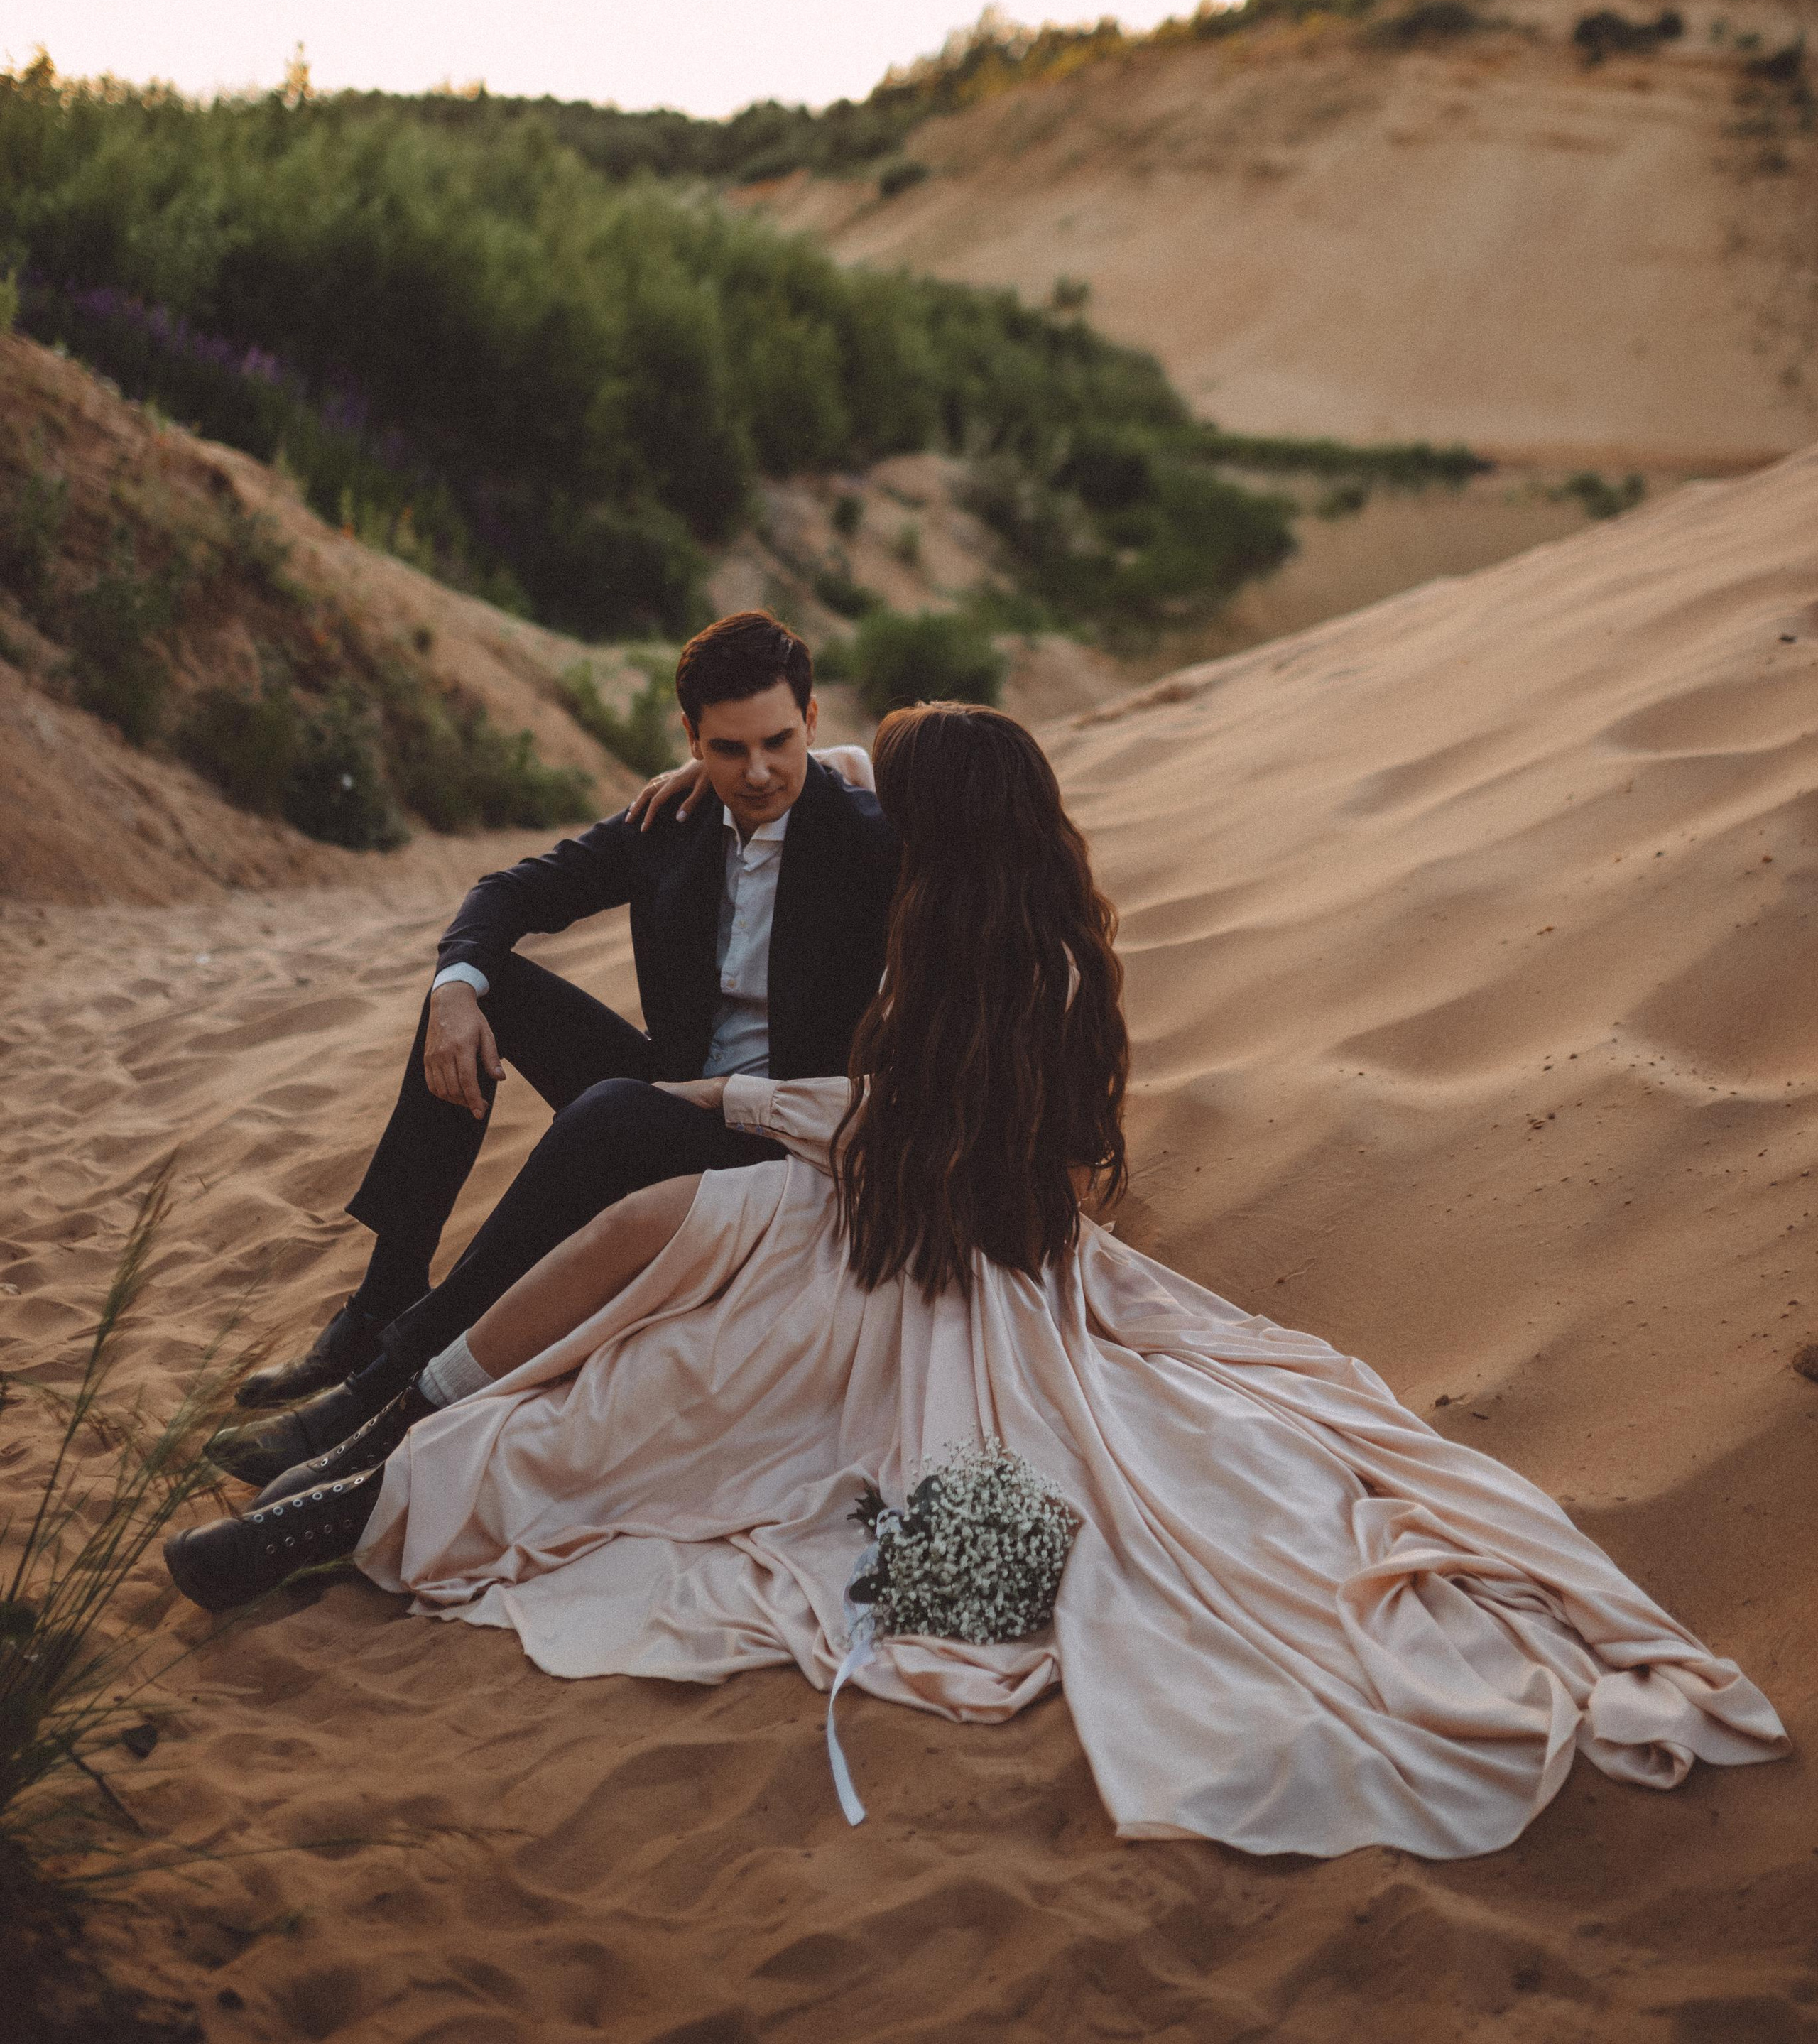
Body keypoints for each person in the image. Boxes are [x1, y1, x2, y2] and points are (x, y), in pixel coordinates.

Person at [166, 706, 1787, 1861]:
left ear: (941, 823)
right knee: (623, 1240)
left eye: (881, 783)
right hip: (852, 1191)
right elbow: (890, 788)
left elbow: (928, 1132)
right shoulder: (975, 892)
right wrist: (753, 767)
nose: (857, 794)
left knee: (661, 1390)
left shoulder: (1017, 965)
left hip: (933, 1250)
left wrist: (741, 1100)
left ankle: (358, 1498)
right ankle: (376, 1417)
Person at [208, 610, 897, 1491]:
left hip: (777, 1134)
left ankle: (388, 1378)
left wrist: (834, 762)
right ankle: (382, 1300)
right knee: (485, 990)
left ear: (810, 720)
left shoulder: (872, 838)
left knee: (610, 1107)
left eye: (779, 742)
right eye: (728, 749)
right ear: (691, 738)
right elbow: (507, 892)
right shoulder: (673, 821)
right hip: (668, 1095)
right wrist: (454, 991)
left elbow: (970, 790)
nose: (757, 772)